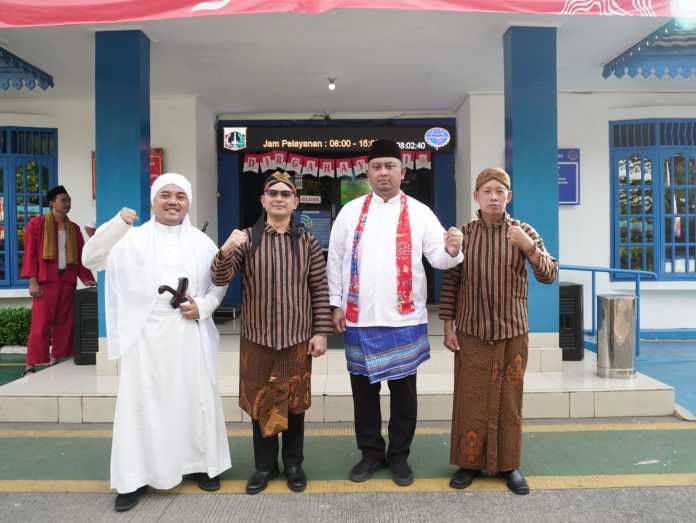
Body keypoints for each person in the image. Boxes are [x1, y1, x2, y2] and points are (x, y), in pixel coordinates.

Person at [82, 173, 231, 511]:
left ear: (188, 203)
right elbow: (91, 259)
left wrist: (203, 306)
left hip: (189, 332)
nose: (173, 201)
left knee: (194, 397)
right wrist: (117, 225)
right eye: (165, 195)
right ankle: (134, 477)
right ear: (153, 200)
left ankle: (200, 464)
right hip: (145, 335)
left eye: (180, 196)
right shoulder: (130, 238)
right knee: (142, 404)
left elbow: (218, 284)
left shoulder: (201, 242)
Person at [327, 139, 464, 487]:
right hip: (359, 318)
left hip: (404, 319)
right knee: (364, 395)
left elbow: (439, 258)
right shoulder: (350, 212)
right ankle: (370, 454)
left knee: (404, 396)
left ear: (403, 172)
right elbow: (335, 261)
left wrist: (452, 250)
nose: (383, 173)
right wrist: (335, 303)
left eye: (390, 166)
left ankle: (399, 456)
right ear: (367, 173)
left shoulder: (420, 212)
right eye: (376, 167)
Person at [211, 170, 332, 495]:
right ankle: (265, 466)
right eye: (273, 194)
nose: (279, 199)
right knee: (261, 401)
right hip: (258, 339)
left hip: (296, 339)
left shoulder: (307, 242)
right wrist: (225, 251)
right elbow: (220, 279)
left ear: (295, 202)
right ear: (263, 201)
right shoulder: (246, 239)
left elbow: (319, 289)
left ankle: (293, 464)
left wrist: (321, 332)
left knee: (294, 403)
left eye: (285, 194)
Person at [439, 167, 558, 495]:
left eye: (499, 191)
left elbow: (550, 274)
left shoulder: (523, 231)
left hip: (512, 332)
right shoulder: (464, 233)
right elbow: (451, 282)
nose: (493, 197)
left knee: (509, 402)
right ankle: (468, 463)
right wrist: (447, 325)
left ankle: (509, 465)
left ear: (509, 196)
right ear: (476, 197)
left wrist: (529, 248)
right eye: (487, 191)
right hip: (472, 331)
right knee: (470, 400)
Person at [21, 185, 96, 376]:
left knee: (64, 322)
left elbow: (80, 256)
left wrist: (87, 278)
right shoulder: (36, 224)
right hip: (46, 280)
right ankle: (30, 365)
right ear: (52, 203)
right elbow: (30, 254)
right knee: (40, 324)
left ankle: (55, 358)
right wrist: (33, 281)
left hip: (67, 279)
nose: (67, 203)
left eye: (69, 200)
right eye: (63, 200)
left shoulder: (74, 228)